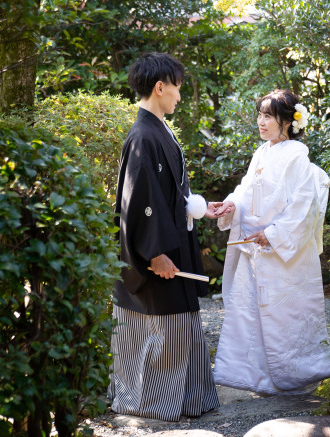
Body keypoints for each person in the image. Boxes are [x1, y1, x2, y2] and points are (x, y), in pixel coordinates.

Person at [108, 52, 221, 421]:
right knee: (161, 329)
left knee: (176, 328)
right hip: (158, 255)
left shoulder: (156, 130)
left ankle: (185, 400)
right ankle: (149, 403)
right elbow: (142, 202)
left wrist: (198, 206)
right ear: (160, 87)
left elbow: (166, 194)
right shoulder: (144, 135)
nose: (178, 96)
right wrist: (154, 254)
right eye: (175, 88)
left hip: (170, 244)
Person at [210, 89, 330, 395]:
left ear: (287, 122)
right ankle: (258, 379)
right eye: (260, 115)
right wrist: (231, 205)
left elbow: (303, 205)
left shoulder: (297, 156)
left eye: (269, 116)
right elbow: (245, 191)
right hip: (254, 250)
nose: (261, 122)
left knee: (285, 316)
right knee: (250, 314)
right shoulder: (261, 153)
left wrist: (273, 233)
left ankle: (295, 380)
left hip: (281, 254)